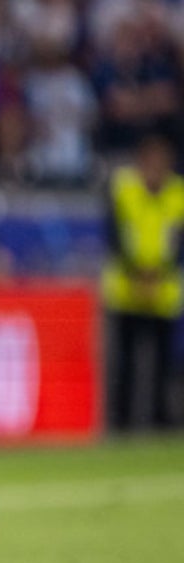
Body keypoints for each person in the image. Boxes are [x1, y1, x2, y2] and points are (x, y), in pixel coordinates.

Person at [103, 133, 184, 431]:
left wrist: (158, 272)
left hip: (163, 289)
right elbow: (115, 235)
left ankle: (161, 422)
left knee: (163, 361)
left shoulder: (178, 193)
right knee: (123, 361)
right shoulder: (124, 188)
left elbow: (179, 242)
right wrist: (138, 272)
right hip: (127, 288)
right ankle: (121, 423)